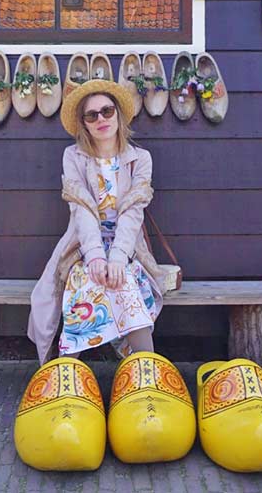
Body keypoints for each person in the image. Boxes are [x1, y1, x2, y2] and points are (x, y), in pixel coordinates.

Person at [27, 79, 167, 366]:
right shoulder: (74, 157)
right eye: (92, 115)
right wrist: (95, 257)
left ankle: (145, 371)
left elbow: (133, 213)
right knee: (85, 280)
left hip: (127, 248)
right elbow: (82, 212)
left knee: (124, 280)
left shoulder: (140, 159)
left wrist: (116, 257)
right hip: (82, 247)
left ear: (118, 114)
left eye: (107, 111)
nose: (101, 119)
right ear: (84, 124)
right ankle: (65, 374)